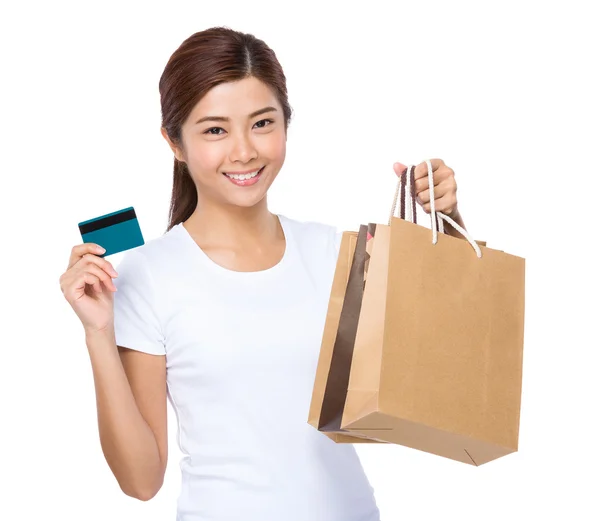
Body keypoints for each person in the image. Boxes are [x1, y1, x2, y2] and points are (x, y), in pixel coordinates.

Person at [59, 26, 469, 521]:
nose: (243, 151)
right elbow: (142, 482)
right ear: (175, 142)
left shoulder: (332, 251)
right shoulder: (148, 275)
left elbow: (443, 365)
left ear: (285, 125)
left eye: (261, 123)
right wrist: (99, 333)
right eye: (215, 129)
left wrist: (447, 220)